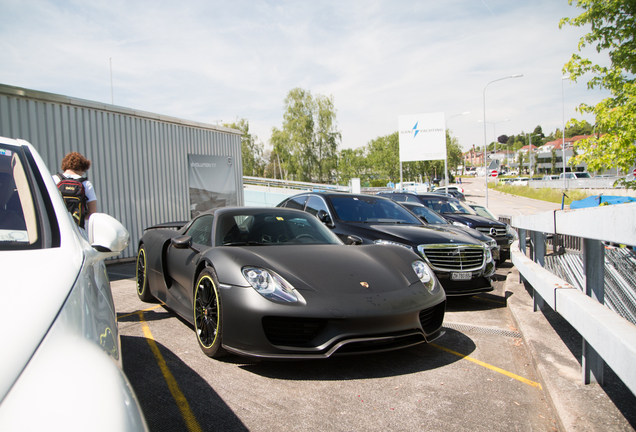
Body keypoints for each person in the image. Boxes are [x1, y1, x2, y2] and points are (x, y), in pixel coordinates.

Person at [54, 152, 97, 228]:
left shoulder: (54, 179)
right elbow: (92, 212)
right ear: (81, 168)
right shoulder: (86, 184)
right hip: (77, 229)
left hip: (57, 227)